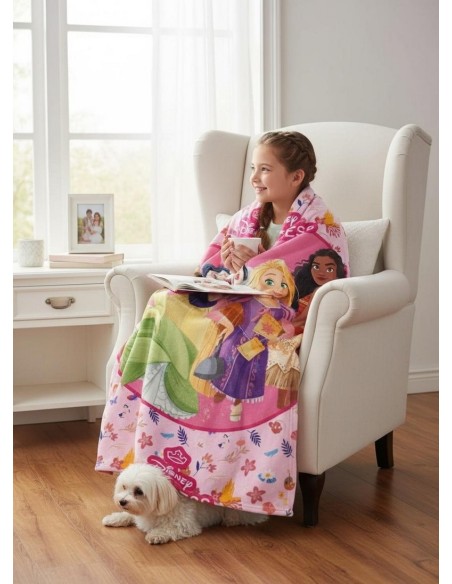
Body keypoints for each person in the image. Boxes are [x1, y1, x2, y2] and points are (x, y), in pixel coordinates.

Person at [96, 130, 349, 518]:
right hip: (233, 301)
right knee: (163, 301)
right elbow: (209, 268)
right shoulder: (246, 218)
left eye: (265, 169)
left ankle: (227, 477)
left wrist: (251, 267)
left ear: (296, 176)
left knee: (234, 330)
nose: (255, 178)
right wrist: (228, 266)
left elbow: (320, 285)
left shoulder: (321, 226)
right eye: (253, 168)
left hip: (277, 317)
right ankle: (153, 459)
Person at [292, 248, 347, 334]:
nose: (321, 273)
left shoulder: (322, 291)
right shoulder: (315, 288)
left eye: (329, 269)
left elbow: (302, 319)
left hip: (302, 330)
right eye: (316, 267)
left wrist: (282, 326)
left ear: (338, 272)